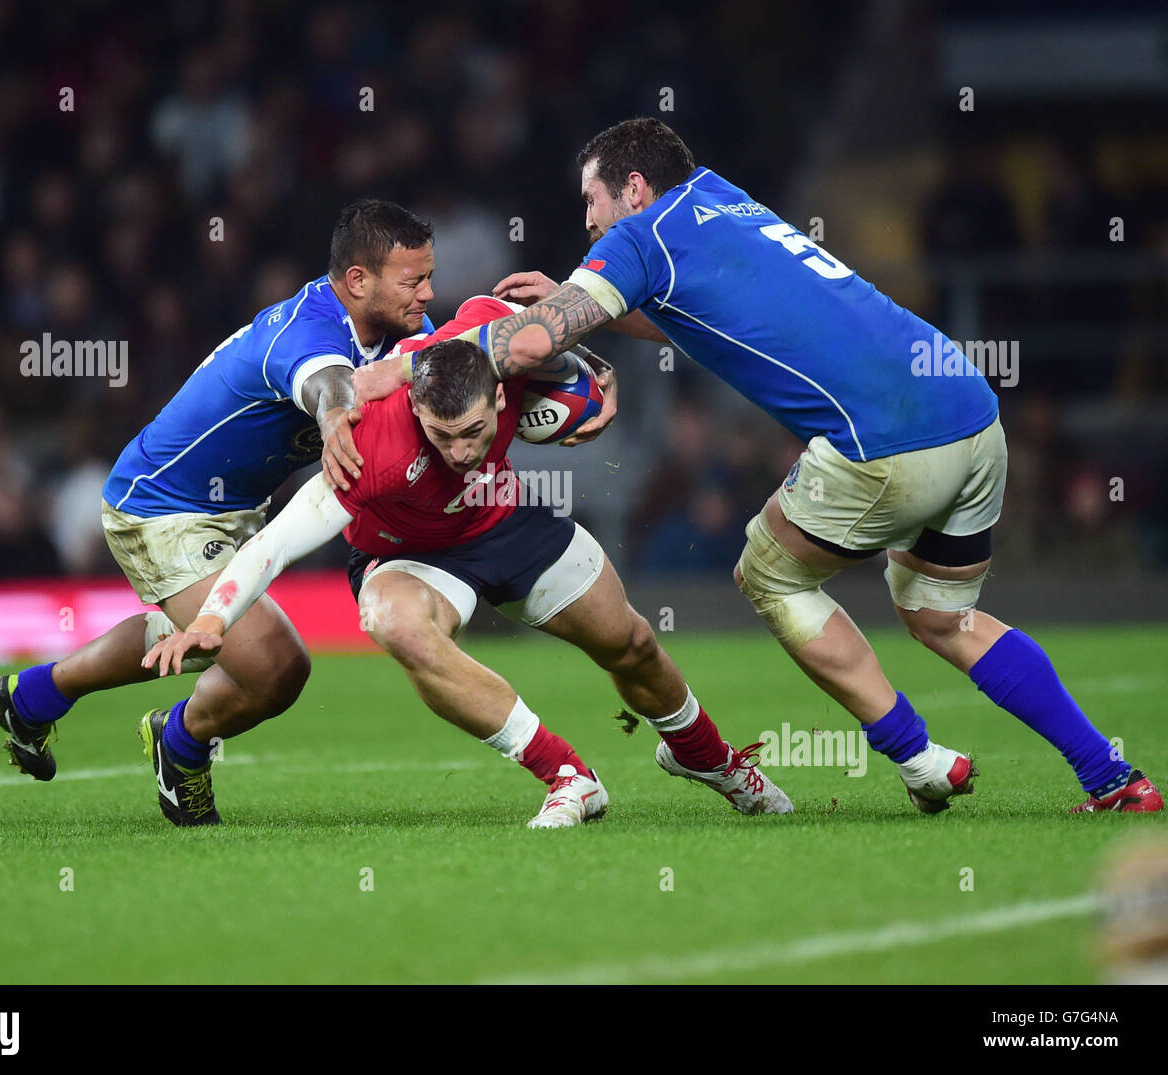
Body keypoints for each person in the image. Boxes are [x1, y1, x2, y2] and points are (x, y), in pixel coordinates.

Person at [353, 117, 1160, 815]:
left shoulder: (642, 235)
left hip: (885, 442)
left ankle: (920, 758)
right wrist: (568, 308)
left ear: (634, 188)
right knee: (943, 614)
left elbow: (526, 346)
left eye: (593, 204)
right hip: (972, 415)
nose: (590, 225)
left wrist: (432, 352)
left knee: (768, 573)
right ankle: (1112, 774)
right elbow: (700, 321)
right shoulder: (724, 198)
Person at [146, 303, 793, 828]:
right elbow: (273, 545)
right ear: (417, 408)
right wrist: (211, 615)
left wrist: (595, 376)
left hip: (500, 519)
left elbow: (575, 320)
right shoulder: (368, 440)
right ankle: (568, 775)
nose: (460, 449)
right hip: (405, 551)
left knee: (631, 643)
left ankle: (709, 759)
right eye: (442, 434)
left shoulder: (502, 336)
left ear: (497, 389)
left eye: (475, 432)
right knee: (394, 622)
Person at [0, 200, 436, 826]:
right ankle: (180, 744)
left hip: (228, 509)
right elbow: (327, 385)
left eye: (428, 276)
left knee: (191, 641)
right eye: (414, 281)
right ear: (358, 281)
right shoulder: (308, 335)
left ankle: (31, 697)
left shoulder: (386, 329)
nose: (428, 293)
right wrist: (335, 417)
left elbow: (456, 351)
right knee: (276, 666)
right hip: (162, 507)